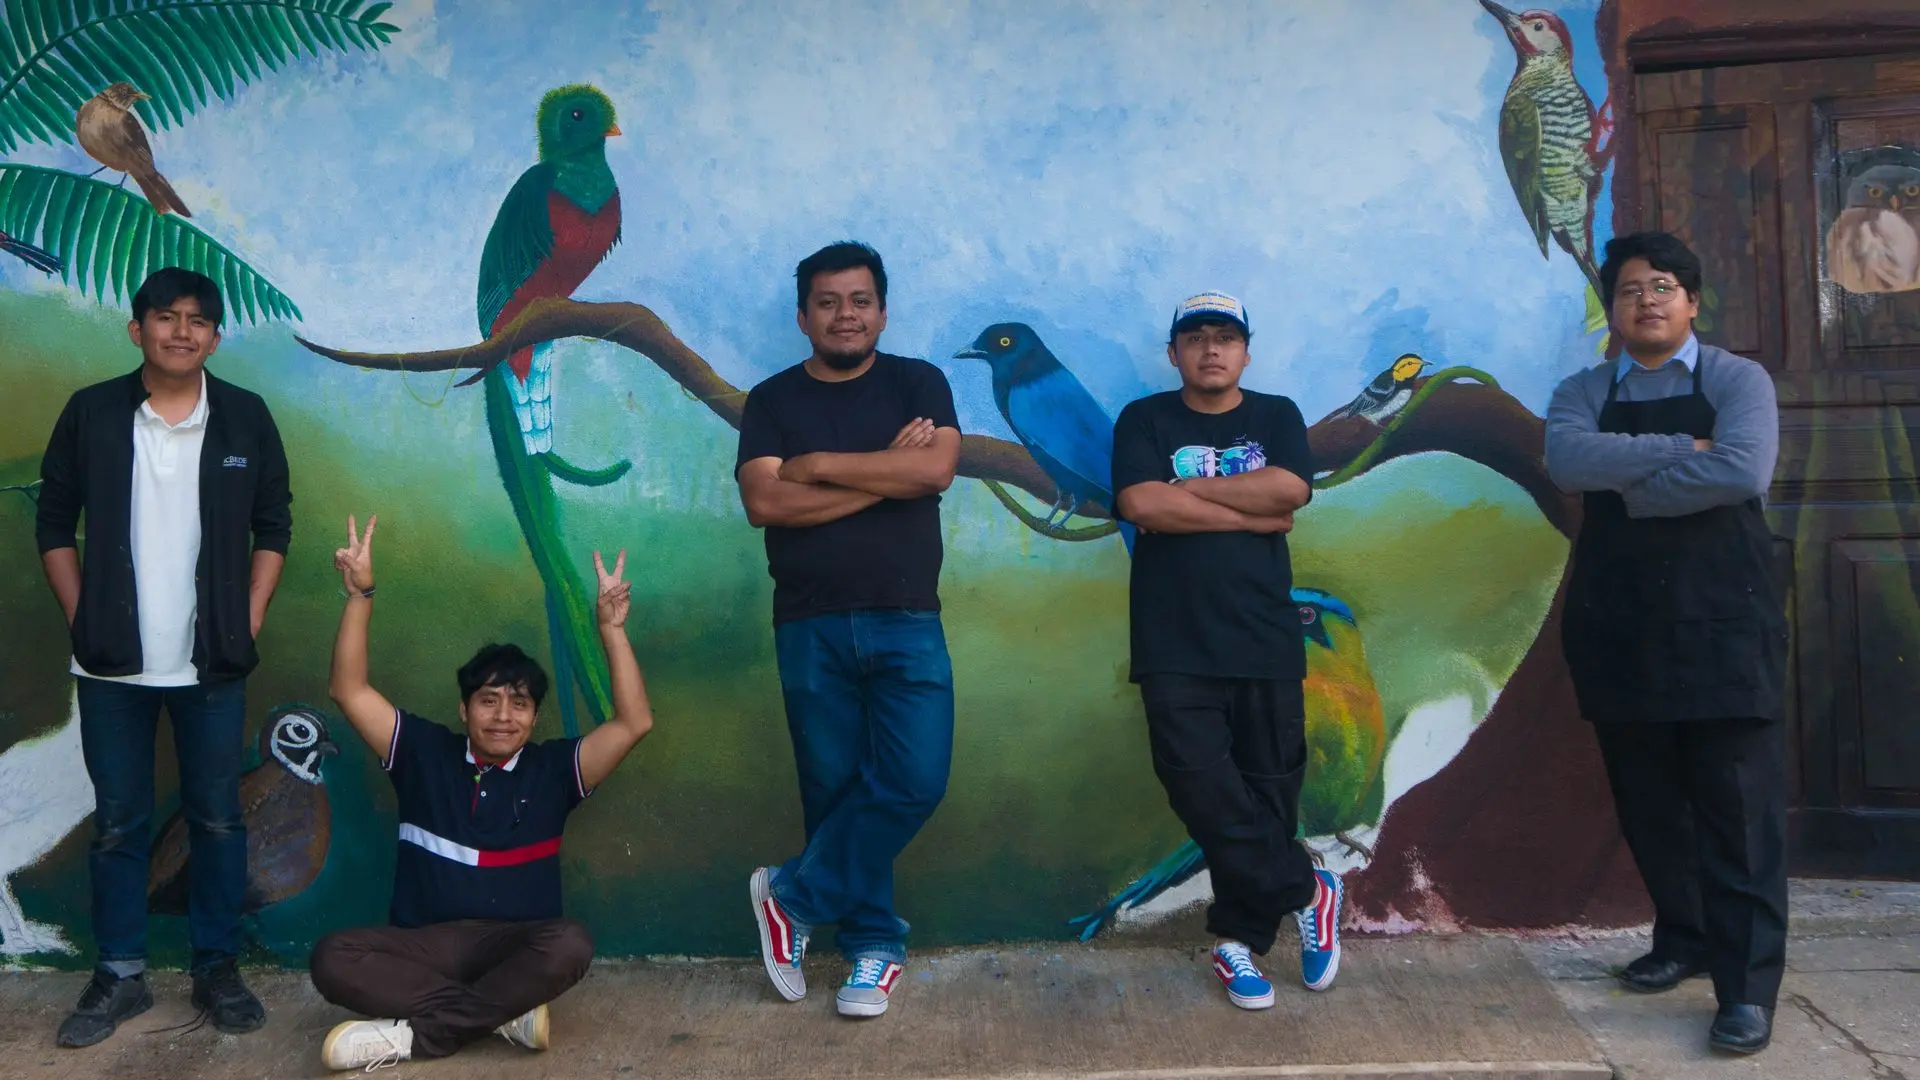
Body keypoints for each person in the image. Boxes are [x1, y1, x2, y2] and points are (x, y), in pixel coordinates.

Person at [35, 267, 292, 1047]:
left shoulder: (244, 417)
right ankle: (119, 975)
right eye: (166, 317)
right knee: (120, 824)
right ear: (136, 328)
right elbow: (54, 521)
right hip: (111, 665)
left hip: (209, 663)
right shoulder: (93, 413)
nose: (182, 331)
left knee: (217, 818)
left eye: (198, 320)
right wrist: (80, 616)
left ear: (215, 337)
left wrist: (248, 616)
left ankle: (217, 968)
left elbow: (274, 524)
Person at [1545, 231, 1788, 1055]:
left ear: (1691, 302)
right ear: (1612, 310)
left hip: (1724, 622)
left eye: (1662, 287)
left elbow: (1742, 472)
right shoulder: (1582, 390)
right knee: (1649, 800)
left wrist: (1634, 489)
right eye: (1629, 290)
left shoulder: (1737, 380)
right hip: (1620, 623)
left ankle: (1746, 990)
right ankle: (1684, 938)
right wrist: (1683, 450)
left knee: (1737, 811)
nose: (1646, 301)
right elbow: (1569, 460)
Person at [309, 514, 656, 1070]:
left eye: (519, 704)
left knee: (570, 944)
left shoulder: (554, 769)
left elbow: (634, 722)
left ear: (534, 717)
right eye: (488, 701)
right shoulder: (422, 752)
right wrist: (359, 595)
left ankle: (415, 1038)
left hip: (515, 948)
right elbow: (348, 689)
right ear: (464, 708)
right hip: (424, 948)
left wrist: (611, 630)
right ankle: (501, 1014)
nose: (503, 716)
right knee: (333, 957)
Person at [733, 241, 960, 1019]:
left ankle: (791, 899)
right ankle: (873, 948)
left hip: (907, 616)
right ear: (803, 317)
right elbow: (766, 503)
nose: (845, 315)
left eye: (860, 300)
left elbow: (933, 471)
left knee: (914, 779)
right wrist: (883, 474)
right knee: (834, 792)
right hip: (810, 620)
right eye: (827, 302)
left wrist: (820, 464)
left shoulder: (917, 383)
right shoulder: (771, 401)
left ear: (882, 312)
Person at [1110, 291, 1341, 1010]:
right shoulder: (1144, 419)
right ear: (1174, 352)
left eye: (1226, 337)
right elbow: (1141, 504)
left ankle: (1238, 939)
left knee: (1269, 792)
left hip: (1263, 635)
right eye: (1196, 337)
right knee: (1195, 781)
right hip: (1173, 639)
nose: (1211, 349)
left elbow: (1290, 488)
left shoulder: (1275, 416)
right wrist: (1251, 515)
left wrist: (1191, 493)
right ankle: (1308, 886)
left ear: (1245, 351)